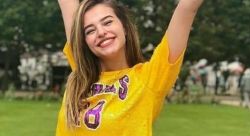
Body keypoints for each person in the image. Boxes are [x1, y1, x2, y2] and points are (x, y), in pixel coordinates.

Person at [56, 0, 203, 135]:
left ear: (125, 27)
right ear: (84, 42)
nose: (100, 32)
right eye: (90, 31)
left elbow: (186, 9)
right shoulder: (82, 73)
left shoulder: (149, 80)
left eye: (107, 22)